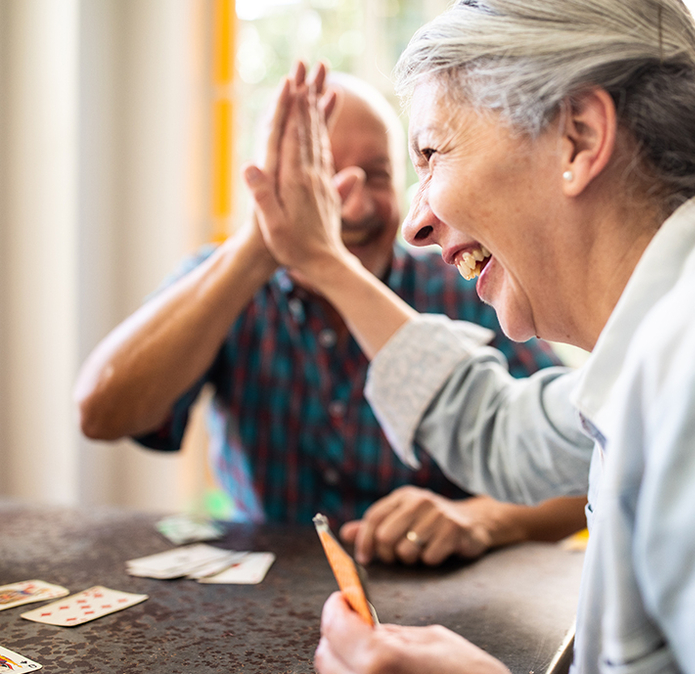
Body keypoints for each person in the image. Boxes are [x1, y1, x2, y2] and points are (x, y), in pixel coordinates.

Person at [243, 0, 695, 672]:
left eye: (433, 153)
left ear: (577, 137)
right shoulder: (683, 335)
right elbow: (503, 428)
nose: (415, 225)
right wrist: (326, 265)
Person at [73, 68, 588, 567]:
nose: (354, 202)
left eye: (379, 175)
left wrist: (477, 519)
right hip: (263, 591)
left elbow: (581, 454)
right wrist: (262, 245)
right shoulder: (219, 279)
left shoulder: (465, 283)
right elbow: (103, 413)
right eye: (321, 177)